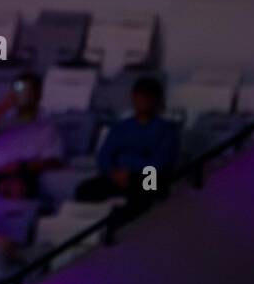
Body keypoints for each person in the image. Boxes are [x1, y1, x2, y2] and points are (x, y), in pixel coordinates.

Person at [76, 76, 178, 205]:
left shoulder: (166, 130)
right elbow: (104, 155)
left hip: (148, 176)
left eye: (147, 97)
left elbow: (160, 163)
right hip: (118, 174)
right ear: (133, 97)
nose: (143, 101)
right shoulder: (121, 127)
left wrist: (131, 173)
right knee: (84, 190)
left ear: (156, 100)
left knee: (147, 190)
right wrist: (113, 172)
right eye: (140, 96)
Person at [0, 72, 63, 194]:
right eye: (20, 89)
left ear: (38, 95)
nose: (24, 95)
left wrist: (22, 166)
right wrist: (2, 109)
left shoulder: (46, 127)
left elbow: (54, 161)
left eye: (29, 91)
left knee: (15, 187)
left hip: (11, 178)